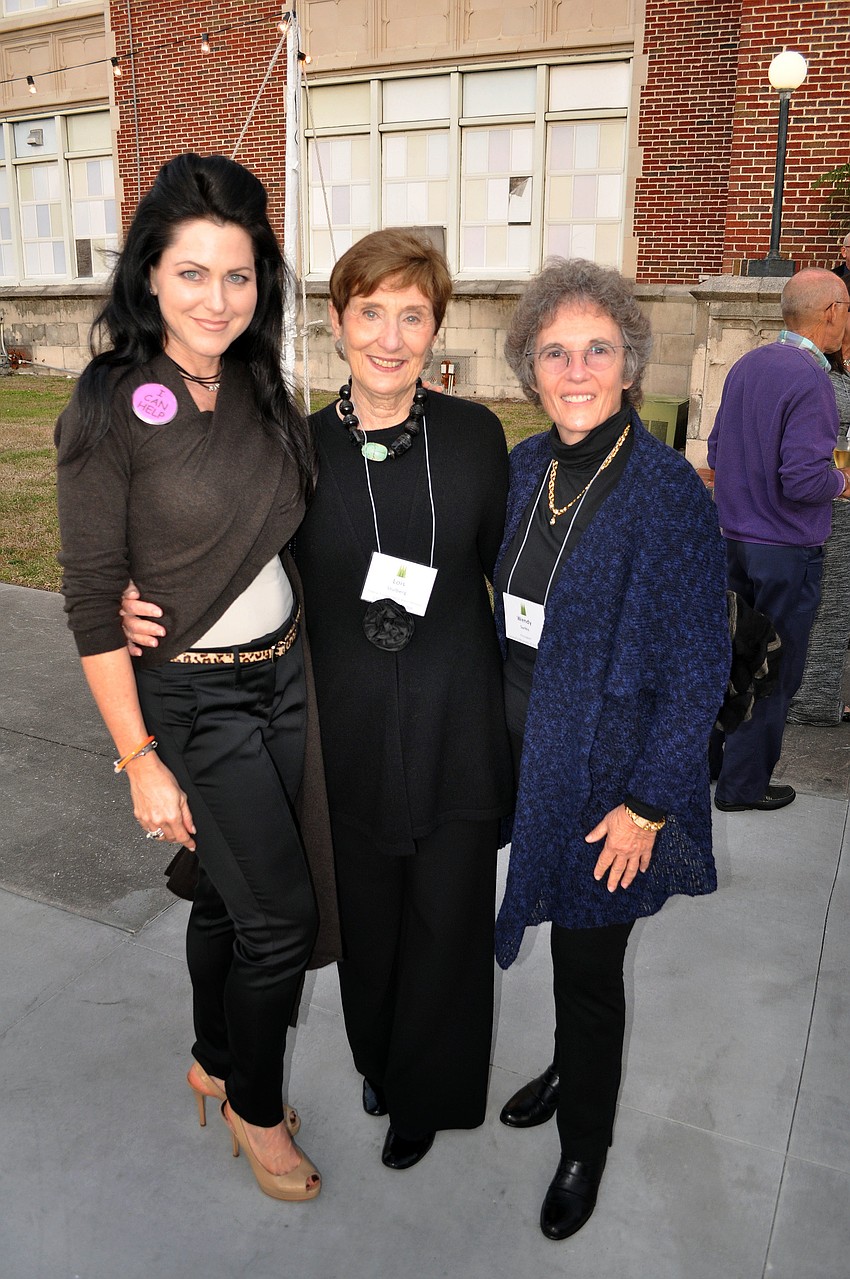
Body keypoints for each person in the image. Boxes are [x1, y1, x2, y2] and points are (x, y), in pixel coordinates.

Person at [123, 227, 514, 1172]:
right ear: (337, 322)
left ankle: (428, 1093)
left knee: (450, 922)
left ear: (436, 328)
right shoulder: (291, 448)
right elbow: (222, 559)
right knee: (370, 921)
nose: (391, 336)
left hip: (458, 722)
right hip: (338, 732)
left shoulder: (477, 438)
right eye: (370, 312)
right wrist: (138, 606)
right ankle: (381, 1060)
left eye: (412, 315)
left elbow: (515, 569)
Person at [55, 153, 340, 1203]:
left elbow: (279, 535)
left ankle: (214, 1057)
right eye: (192, 274)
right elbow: (91, 600)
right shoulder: (110, 405)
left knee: (227, 894)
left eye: (238, 274)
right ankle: (257, 1112)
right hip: (195, 699)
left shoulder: (265, 385)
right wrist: (138, 755)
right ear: (148, 279)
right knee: (281, 924)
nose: (217, 298)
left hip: (285, 683)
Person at [492, 258, 730, 1241]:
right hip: (520, 759)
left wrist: (647, 805)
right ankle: (563, 1063)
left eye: (597, 348)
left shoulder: (668, 491)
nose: (576, 367)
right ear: (531, 368)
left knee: (590, 967)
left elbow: (699, 667)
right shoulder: (520, 468)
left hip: (610, 782)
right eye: (556, 351)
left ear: (629, 362)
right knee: (559, 935)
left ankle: (583, 1137)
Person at [708, 268, 850, 811]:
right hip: (786, 552)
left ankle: (716, 767)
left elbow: (718, 452)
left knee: (734, 658)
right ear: (831, 311)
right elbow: (804, 479)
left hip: (733, 541)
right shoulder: (811, 378)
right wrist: (843, 480)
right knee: (774, 670)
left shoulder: (749, 363)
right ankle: (744, 787)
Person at [788, 281, 850, 725]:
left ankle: (810, 697)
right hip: (830, 497)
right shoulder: (818, 374)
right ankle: (812, 701)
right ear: (831, 313)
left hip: (827, 494)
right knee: (828, 604)